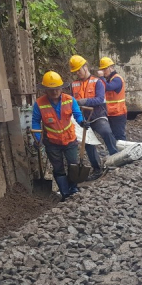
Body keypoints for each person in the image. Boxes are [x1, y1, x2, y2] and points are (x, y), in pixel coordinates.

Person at [32, 71, 88, 201]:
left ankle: (73, 188)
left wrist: (82, 122)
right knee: (58, 168)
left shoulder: (69, 100)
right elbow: (35, 121)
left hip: (69, 140)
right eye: (51, 90)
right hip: (52, 142)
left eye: (57, 89)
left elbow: (77, 114)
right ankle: (65, 193)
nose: (55, 92)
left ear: (61, 88)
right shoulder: (39, 103)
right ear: (45, 90)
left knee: (73, 164)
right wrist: (37, 138)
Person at [69, 54, 118, 181]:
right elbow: (70, 101)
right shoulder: (73, 84)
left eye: (78, 70)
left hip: (97, 115)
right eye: (75, 71)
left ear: (85, 67)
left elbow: (100, 99)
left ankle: (116, 157)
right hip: (83, 118)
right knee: (89, 143)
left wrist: (82, 101)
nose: (77, 73)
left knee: (106, 131)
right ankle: (96, 169)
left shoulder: (98, 82)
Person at [98, 57, 127, 141]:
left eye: (104, 69)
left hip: (118, 113)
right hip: (110, 113)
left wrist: (101, 77)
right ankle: (116, 153)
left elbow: (108, 87)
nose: (103, 71)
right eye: (102, 69)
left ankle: (124, 153)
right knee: (112, 136)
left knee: (119, 136)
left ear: (111, 67)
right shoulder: (109, 80)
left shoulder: (117, 79)